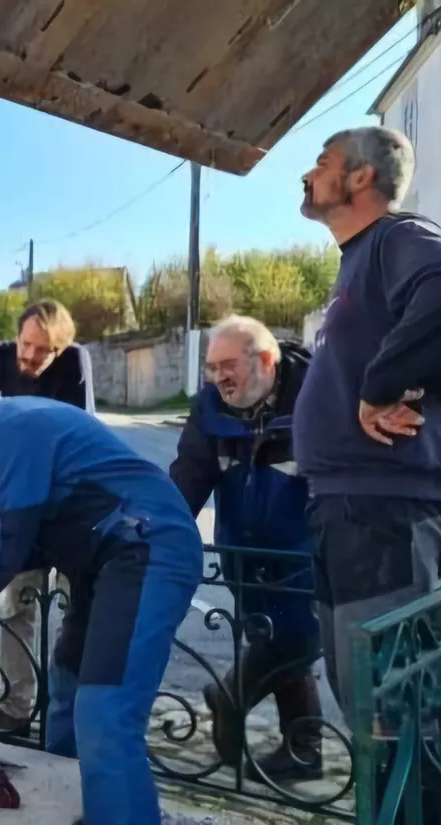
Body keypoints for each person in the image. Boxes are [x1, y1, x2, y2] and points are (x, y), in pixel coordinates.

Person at [0, 370, 203, 825]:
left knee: (106, 712)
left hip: (147, 548)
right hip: (106, 560)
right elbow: (18, 543)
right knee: (70, 686)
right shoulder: (8, 426)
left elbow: (3, 544)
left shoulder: (3, 428)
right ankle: (77, 808)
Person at [295, 126, 441, 720]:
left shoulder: (397, 236)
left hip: (385, 512)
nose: (306, 175)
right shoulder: (355, 262)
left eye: (322, 162)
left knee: (396, 715)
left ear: (361, 177)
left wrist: (384, 387)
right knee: (364, 707)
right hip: (346, 510)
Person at [170, 316, 323, 782]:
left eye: (228, 365)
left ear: (266, 360)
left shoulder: (317, 397)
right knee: (270, 637)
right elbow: (188, 477)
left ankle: (231, 695)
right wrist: (162, 527)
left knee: (298, 637)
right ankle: (305, 751)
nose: (219, 378)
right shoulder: (209, 408)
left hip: (302, 552)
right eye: (212, 368)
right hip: (242, 550)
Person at [0, 299, 96, 733]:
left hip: (66, 507)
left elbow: (76, 436)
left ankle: (72, 711)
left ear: (60, 350)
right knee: (17, 606)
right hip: (14, 500)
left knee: (76, 607)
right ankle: (17, 704)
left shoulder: (76, 363)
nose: (28, 356)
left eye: (41, 351)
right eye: (26, 344)